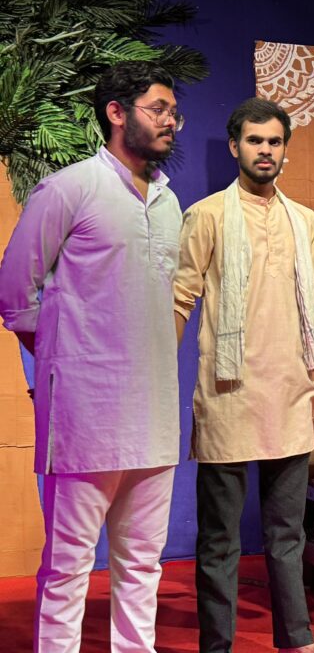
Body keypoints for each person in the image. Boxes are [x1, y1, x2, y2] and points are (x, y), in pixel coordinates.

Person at [0, 60, 183, 652]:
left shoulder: (169, 202)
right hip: (86, 415)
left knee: (143, 563)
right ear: (117, 113)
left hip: (155, 414)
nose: (171, 121)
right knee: (69, 564)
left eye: (175, 113)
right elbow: (14, 293)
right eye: (159, 109)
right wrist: (66, 357)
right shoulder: (70, 187)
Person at [174, 98, 314, 653]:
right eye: (255, 141)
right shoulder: (207, 215)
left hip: (288, 390)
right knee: (219, 538)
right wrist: (157, 371)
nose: (265, 151)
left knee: (287, 532)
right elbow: (180, 298)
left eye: (274, 142)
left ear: (284, 150)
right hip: (228, 394)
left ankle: (296, 639)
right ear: (236, 146)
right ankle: (218, 646)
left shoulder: (302, 220)